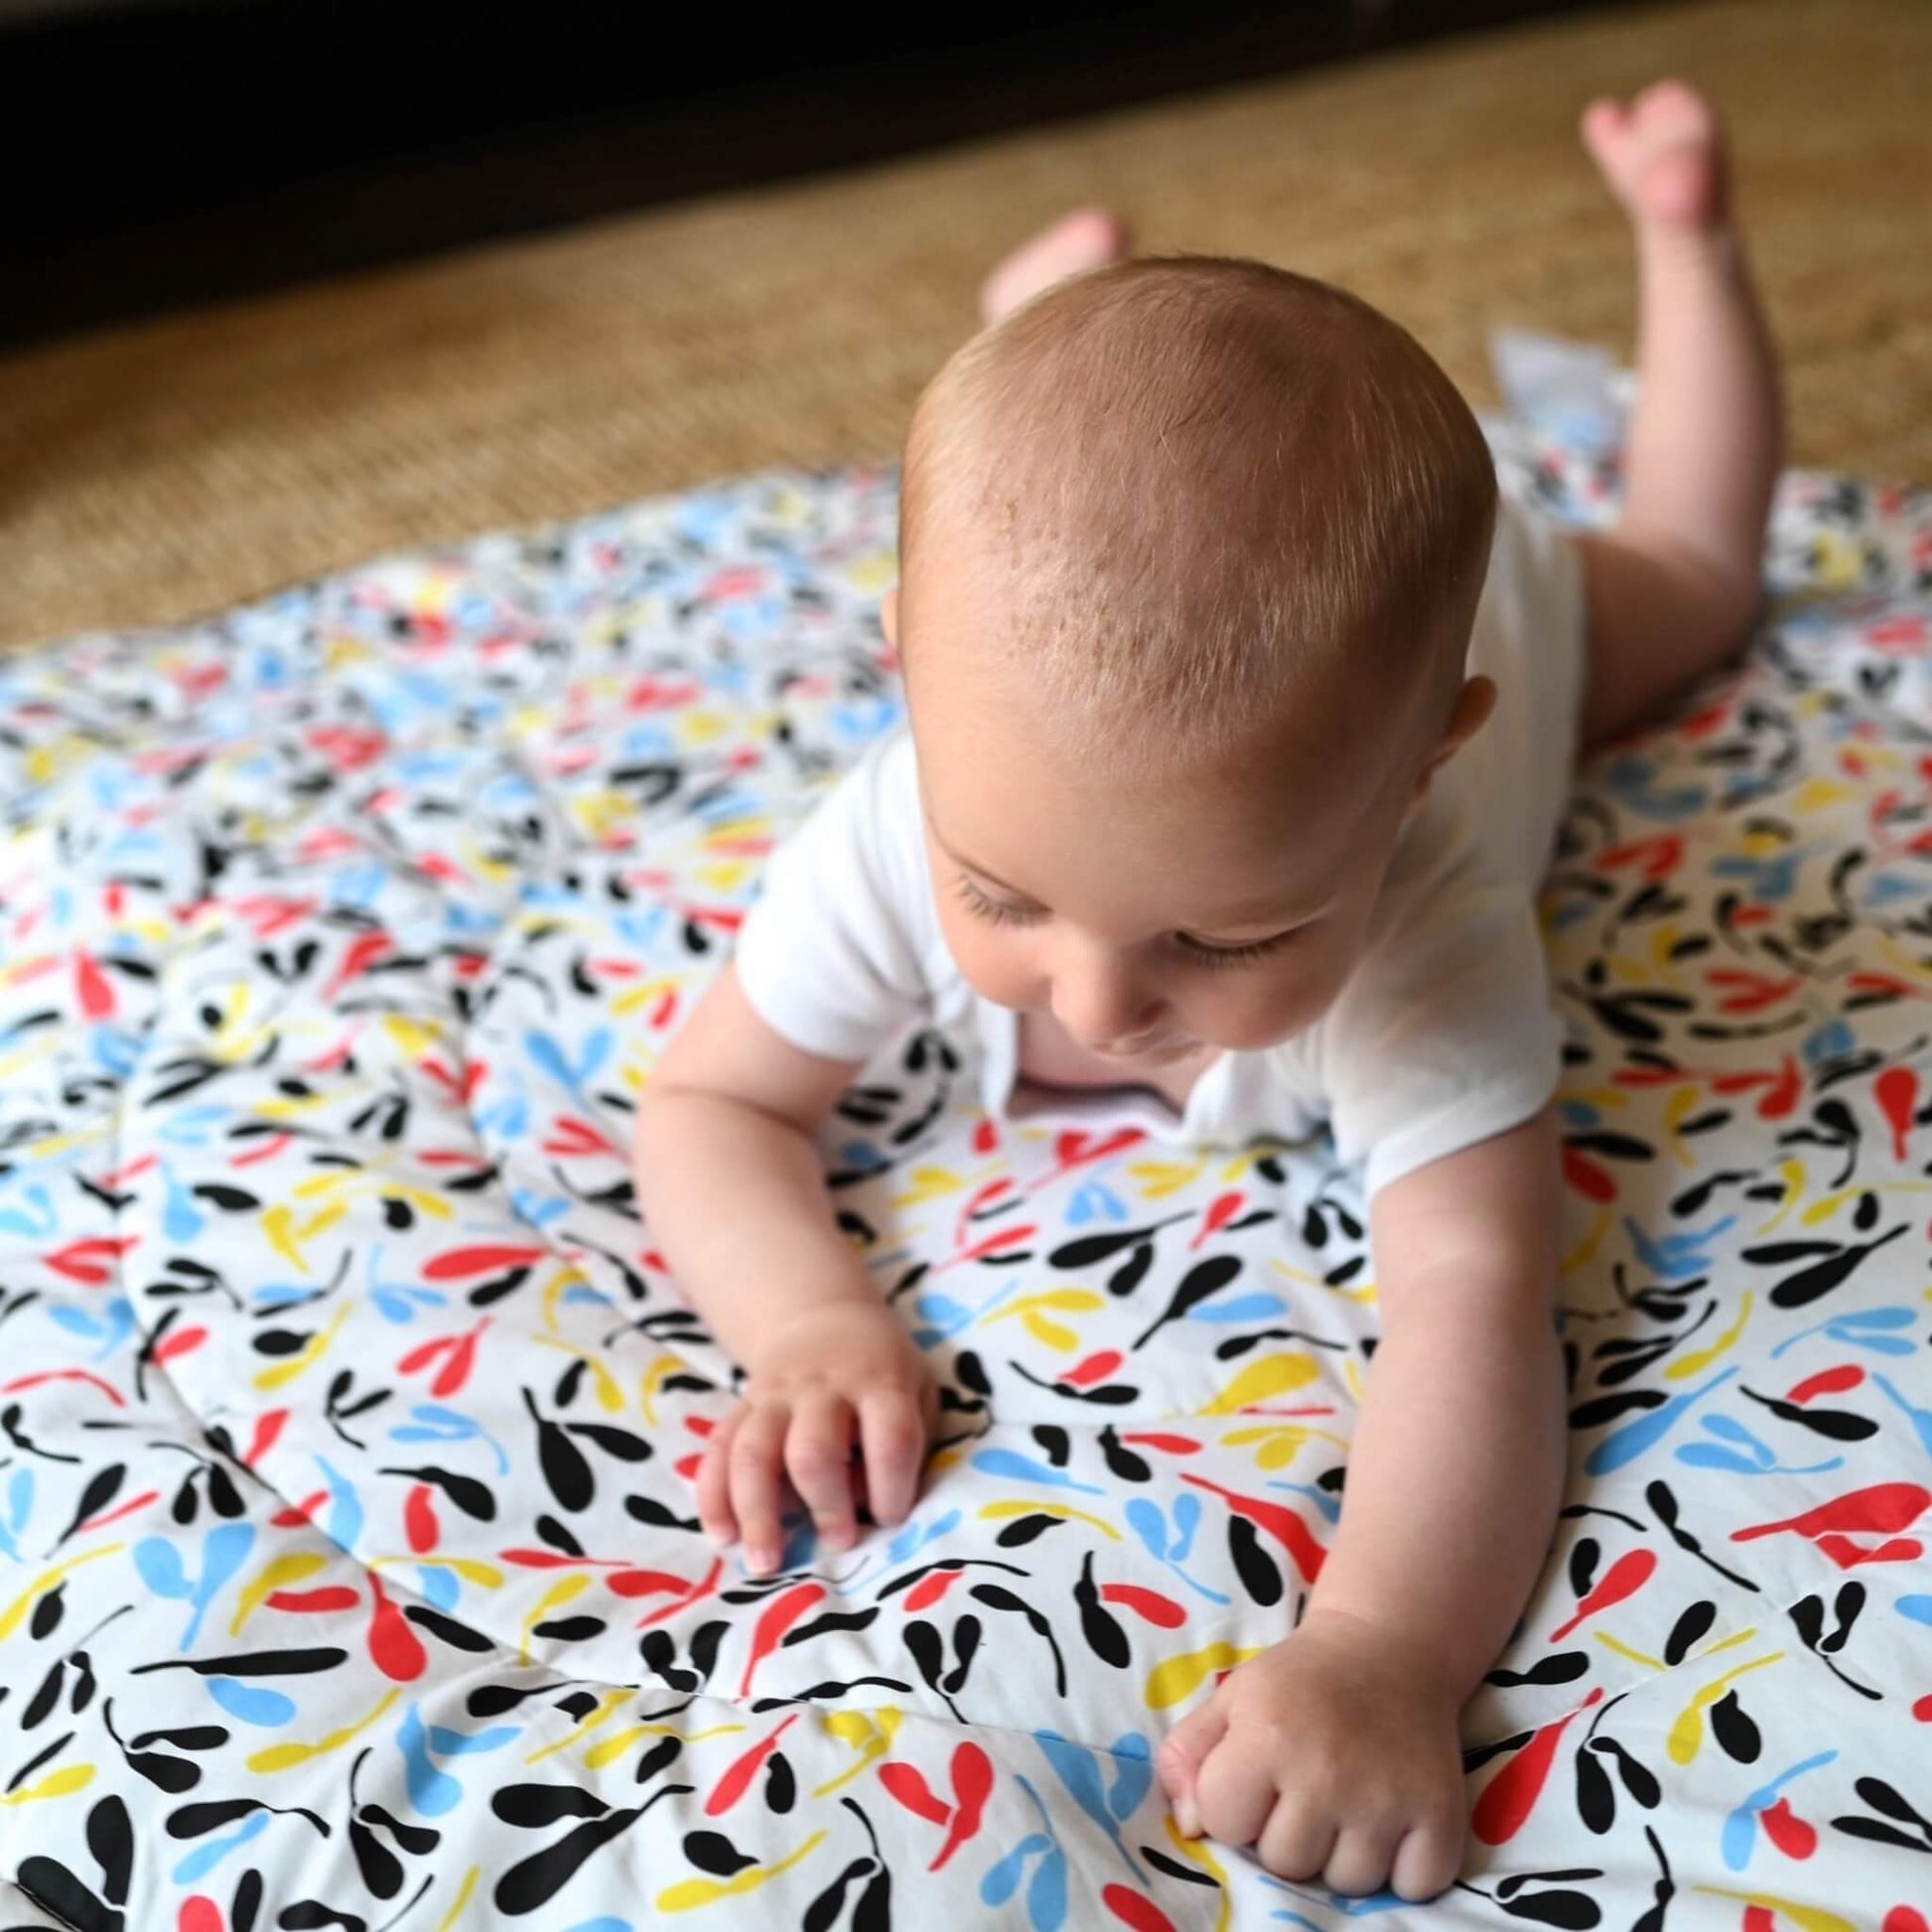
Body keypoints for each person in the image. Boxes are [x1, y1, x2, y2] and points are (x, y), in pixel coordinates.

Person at [632, 81, 1780, 1900]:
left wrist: (1386, 1649)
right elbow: (705, 1102)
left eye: (1226, 938)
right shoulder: (895, 818)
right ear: (909, 681)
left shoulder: (1427, 904)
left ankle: (1684, 240)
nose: (1095, 1002)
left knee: (1705, 580)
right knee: (1060, 472)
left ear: (1419, 769)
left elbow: (1472, 1291)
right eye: (1001, 897)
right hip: (1113, 607)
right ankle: (1040, 320)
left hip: (1494, 611)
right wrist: (801, 1322)